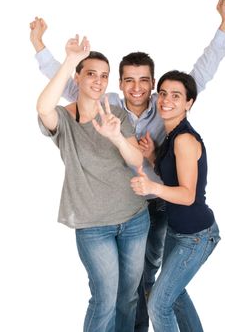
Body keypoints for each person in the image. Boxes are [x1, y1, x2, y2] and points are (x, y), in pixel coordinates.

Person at [30, 0, 225, 332]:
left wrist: (224, 28)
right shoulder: (107, 104)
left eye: (144, 81)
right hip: (123, 207)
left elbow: (200, 74)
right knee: (133, 287)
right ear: (119, 84)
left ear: (152, 84)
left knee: (150, 283)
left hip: (163, 206)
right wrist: (41, 46)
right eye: (128, 80)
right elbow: (71, 83)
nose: (136, 88)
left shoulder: (166, 105)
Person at [36, 34, 150, 332]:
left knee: (127, 298)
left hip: (134, 218)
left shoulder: (116, 115)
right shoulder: (64, 119)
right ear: (78, 77)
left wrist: (115, 137)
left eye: (104, 76)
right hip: (93, 225)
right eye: (90, 74)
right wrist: (71, 59)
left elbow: (137, 161)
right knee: (104, 299)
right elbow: (43, 107)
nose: (98, 81)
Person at [130, 69, 221, 331]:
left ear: (189, 102)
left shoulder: (183, 139)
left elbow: (187, 195)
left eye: (176, 96)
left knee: (158, 304)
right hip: (178, 232)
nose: (167, 100)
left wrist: (151, 187)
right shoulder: (171, 136)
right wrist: (152, 158)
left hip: (196, 235)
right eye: (164, 93)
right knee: (175, 294)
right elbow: (172, 175)